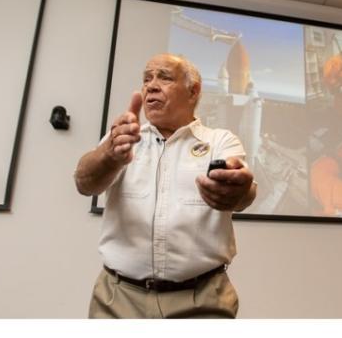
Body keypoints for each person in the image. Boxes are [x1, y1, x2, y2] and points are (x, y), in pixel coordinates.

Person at [74, 53, 257, 319]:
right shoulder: (122, 138)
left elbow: (244, 192)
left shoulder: (220, 141)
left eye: (164, 77)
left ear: (193, 91)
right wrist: (109, 155)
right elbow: (84, 183)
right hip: (118, 300)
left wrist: (239, 192)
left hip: (202, 300)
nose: (151, 85)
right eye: (147, 79)